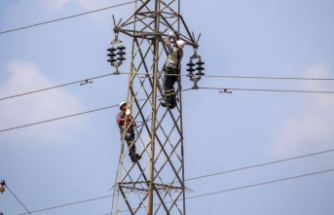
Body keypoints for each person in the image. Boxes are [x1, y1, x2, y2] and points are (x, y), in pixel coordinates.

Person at [162, 32, 185, 109]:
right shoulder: (181, 52)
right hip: (176, 72)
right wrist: (175, 38)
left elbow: (166, 41)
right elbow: (177, 44)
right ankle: (173, 102)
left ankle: (169, 101)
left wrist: (170, 36)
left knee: (166, 86)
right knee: (170, 87)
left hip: (170, 70)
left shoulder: (173, 50)